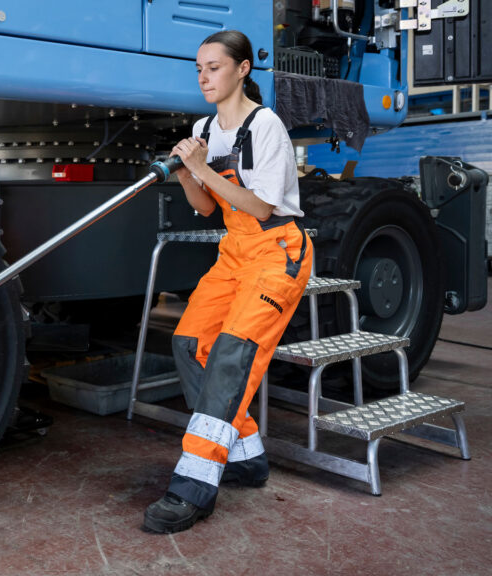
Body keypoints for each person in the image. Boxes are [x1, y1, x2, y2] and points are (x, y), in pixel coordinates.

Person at [141, 30, 313, 534]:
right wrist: (185, 174)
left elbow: (260, 205)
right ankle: (246, 456)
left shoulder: (266, 127)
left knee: (232, 355)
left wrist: (199, 166)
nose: (203, 77)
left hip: (277, 250)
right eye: (198, 69)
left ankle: (193, 486)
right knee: (190, 342)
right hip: (234, 250)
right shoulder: (204, 127)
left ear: (242, 70)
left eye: (213, 67)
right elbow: (205, 208)